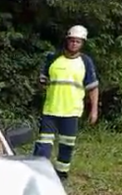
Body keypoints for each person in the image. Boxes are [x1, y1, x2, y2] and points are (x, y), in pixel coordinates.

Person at [33, 25, 99, 182]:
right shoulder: (53, 58)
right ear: (67, 40)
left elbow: (93, 88)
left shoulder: (86, 62)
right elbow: (42, 82)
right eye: (72, 40)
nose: (74, 44)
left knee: (66, 146)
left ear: (82, 44)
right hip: (51, 109)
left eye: (78, 41)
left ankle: (61, 176)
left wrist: (94, 110)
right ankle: (37, 174)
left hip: (71, 111)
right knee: (43, 145)